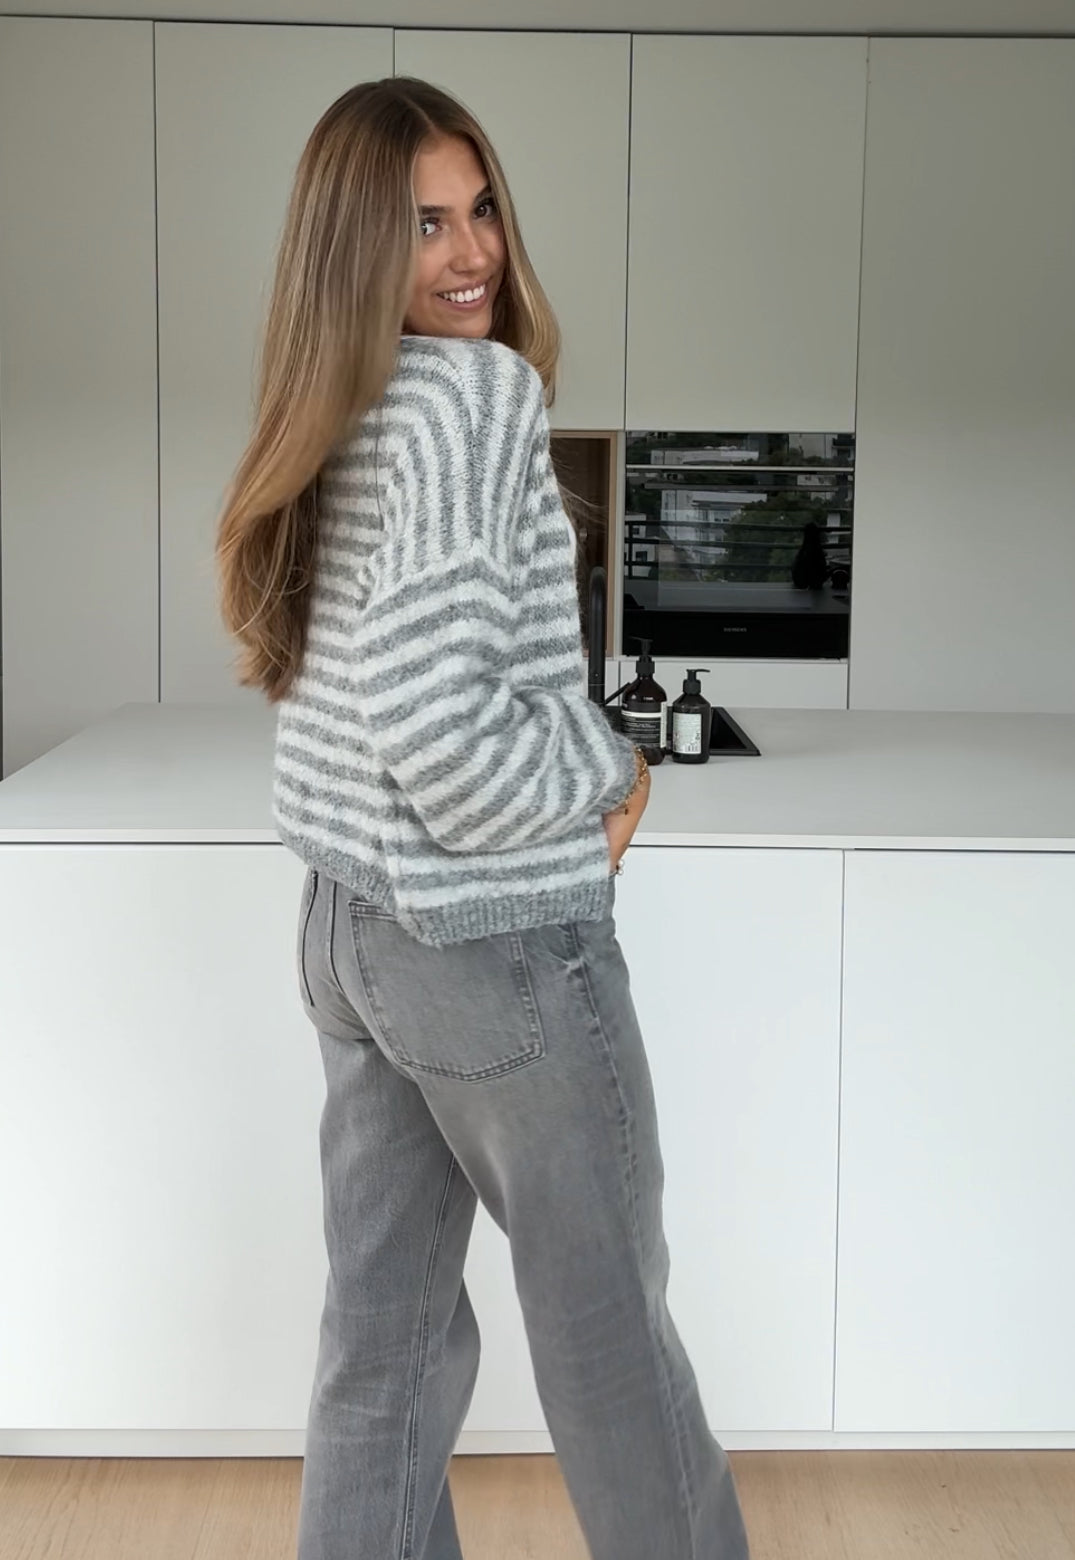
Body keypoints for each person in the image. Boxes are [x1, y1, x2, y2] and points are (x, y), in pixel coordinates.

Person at [215, 75, 751, 1560]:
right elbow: (441, 733)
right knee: (612, 1342)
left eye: (483, 209)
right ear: (353, 250)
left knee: (379, 1350)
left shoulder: (337, 408)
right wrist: (605, 774)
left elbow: (351, 694)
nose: (472, 255)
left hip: (351, 932)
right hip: (490, 942)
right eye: (424, 225)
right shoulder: (473, 398)